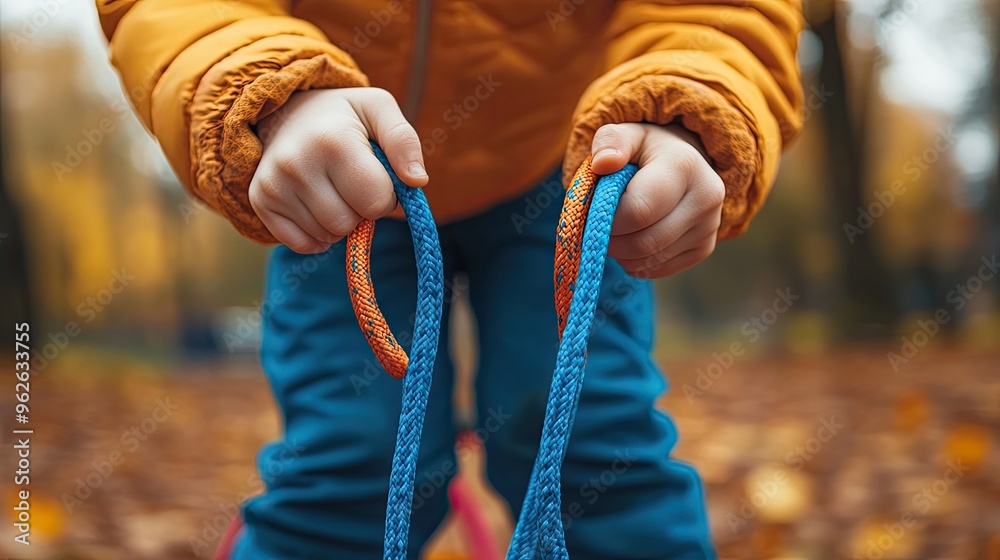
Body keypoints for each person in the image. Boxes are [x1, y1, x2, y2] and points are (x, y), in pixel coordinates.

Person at [97, 0, 803, 557]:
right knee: (353, 468)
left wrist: (685, 108)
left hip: (572, 172)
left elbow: (719, 10)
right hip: (332, 169)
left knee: (594, 458)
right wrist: (270, 88)